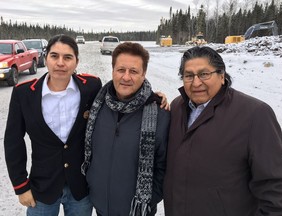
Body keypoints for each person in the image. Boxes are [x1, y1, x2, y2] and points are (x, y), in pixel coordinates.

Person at [163, 46, 282, 215]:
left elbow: (276, 188)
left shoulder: (254, 114)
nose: (196, 82)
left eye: (204, 74)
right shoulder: (177, 107)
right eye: (189, 76)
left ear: (221, 76)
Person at [4, 34, 103, 216]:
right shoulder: (24, 94)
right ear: (45, 57)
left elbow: (121, 95)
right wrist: (20, 186)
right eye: (54, 56)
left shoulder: (91, 87)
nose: (60, 63)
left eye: (68, 57)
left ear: (76, 62)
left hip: (80, 189)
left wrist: (154, 98)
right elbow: (13, 141)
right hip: (41, 189)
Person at [81, 42, 170, 216]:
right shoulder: (97, 105)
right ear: (113, 70)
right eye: (121, 70)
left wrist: (151, 197)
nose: (126, 77)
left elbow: (164, 165)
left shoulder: (160, 114)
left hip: (137, 210)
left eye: (134, 71)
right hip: (100, 206)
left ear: (143, 74)